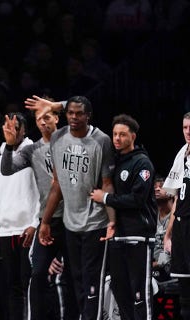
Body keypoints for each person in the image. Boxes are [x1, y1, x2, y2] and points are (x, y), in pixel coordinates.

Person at [37, 96, 115, 320]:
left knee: (92, 281)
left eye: (79, 113)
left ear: (88, 116)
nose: (73, 117)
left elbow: (107, 183)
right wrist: (45, 221)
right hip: (70, 223)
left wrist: (112, 220)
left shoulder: (102, 140)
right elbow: (56, 184)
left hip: (95, 221)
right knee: (76, 279)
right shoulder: (58, 137)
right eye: (70, 112)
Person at [2, 96, 78, 320]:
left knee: (74, 276)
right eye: (39, 119)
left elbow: (80, 105)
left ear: (57, 118)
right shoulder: (31, 150)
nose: (43, 122)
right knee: (37, 275)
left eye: (48, 117)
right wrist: (8, 145)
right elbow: (7, 170)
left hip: (74, 218)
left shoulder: (71, 137)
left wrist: (55, 104)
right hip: (49, 221)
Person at [90, 114, 157, 319]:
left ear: (133, 136)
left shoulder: (142, 163)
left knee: (139, 294)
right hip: (117, 236)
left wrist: (106, 198)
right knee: (120, 292)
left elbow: (136, 199)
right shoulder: (114, 162)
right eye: (115, 134)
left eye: (122, 135)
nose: (117, 138)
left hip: (139, 236)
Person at [0, 112, 38, 320]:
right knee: (12, 287)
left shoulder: (34, 155)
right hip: (6, 232)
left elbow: (43, 192)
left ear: (24, 130)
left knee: (29, 284)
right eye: (8, 127)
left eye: (16, 127)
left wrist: (36, 223)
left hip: (28, 230)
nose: (12, 131)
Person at [162, 112, 190, 319]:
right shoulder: (183, 153)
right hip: (181, 226)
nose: (188, 132)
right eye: (185, 128)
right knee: (184, 288)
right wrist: (168, 233)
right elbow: (177, 197)